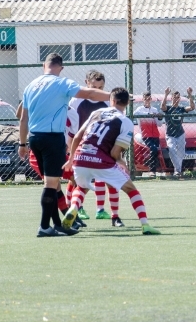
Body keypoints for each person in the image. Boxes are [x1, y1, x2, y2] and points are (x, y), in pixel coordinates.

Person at [18, 53, 110, 237]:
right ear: (60, 67)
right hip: (52, 138)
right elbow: (90, 93)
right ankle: (44, 227)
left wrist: (22, 144)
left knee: (52, 184)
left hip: (34, 138)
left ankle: (58, 225)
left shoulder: (31, 85)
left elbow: (22, 117)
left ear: (44, 65)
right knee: (51, 184)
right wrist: (114, 96)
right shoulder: (62, 83)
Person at [61, 87, 160, 235]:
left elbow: (77, 137)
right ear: (127, 103)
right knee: (131, 189)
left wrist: (71, 160)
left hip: (80, 157)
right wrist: (121, 162)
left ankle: (74, 208)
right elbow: (114, 153)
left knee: (81, 187)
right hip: (101, 160)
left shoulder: (96, 113)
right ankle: (145, 225)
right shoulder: (125, 122)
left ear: (111, 100)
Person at [66, 70, 119, 224]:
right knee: (76, 178)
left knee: (101, 175)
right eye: (94, 87)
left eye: (101, 87)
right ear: (86, 84)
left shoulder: (108, 102)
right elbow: (71, 123)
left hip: (101, 145)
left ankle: (100, 209)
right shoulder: (76, 101)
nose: (98, 90)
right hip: (80, 143)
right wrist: (71, 146)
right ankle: (76, 207)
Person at [161, 87, 195, 178]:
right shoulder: (168, 108)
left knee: (181, 153)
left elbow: (192, 107)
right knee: (172, 150)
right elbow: (162, 107)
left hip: (180, 133)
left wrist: (190, 95)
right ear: (171, 98)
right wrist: (165, 94)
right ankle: (178, 170)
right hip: (170, 134)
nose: (176, 99)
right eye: (175, 97)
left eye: (178, 97)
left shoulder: (181, 109)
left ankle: (177, 171)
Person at [133, 91, 162, 177]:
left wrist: (159, 117)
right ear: (143, 99)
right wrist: (149, 114)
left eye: (149, 99)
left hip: (155, 135)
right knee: (153, 149)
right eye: (145, 99)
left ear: (151, 99)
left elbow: (159, 124)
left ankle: (158, 169)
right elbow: (135, 114)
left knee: (156, 151)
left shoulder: (155, 110)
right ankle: (152, 170)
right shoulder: (139, 109)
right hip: (146, 135)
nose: (147, 100)